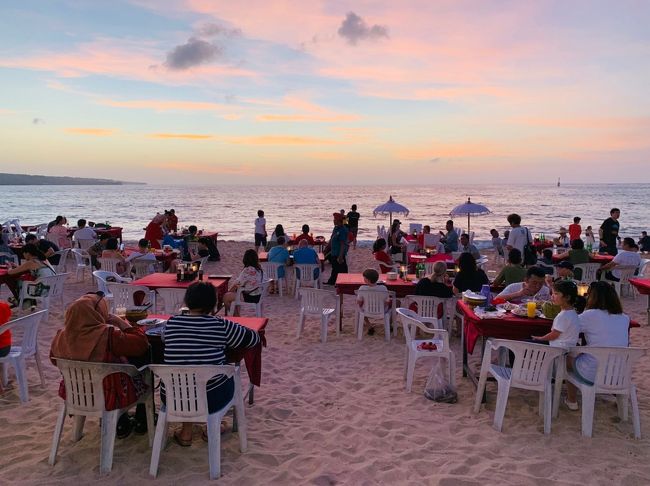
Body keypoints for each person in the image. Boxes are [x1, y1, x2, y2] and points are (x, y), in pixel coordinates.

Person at [163, 282, 260, 445]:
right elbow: (253, 339)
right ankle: (211, 427)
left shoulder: (172, 323)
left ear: (187, 302)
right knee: (213, 378)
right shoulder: (220, 325)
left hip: (173, 397)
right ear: (213, 304)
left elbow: (164, 339)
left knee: (187, 377)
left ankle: (186, 432)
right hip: (212, 398)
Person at [50, 292, 150, 437]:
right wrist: (121, 322)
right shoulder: (107, 335)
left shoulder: (60, 337)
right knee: (141, 365)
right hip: (109, 396)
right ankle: (141, 420)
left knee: (115, 366)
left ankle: (118, 423)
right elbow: (142, 344)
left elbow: (54, 360)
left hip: (76, 394)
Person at [564, 281, 630, 410]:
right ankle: (619, 397)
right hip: (619, 374)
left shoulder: (590, 315)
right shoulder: (624, 318)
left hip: (592, 372)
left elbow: (569, 327)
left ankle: (572, 400)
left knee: (565, 357)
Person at [532, 280, 580, 348]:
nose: (552, 296)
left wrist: (540, 338)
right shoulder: (573, 313)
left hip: (557, 349)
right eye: (552, 293)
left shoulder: (563, 316)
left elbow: (554, 335)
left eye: (556, 294)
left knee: (523, 342)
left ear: (567, 297)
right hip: (566, 348)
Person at [223, 249, 264, 316]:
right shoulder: (259, 269)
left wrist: (229, 291)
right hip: (259, 295)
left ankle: (236, 316)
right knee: (234, 295)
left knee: (226, 297)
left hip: (250, 296)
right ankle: (237, 315)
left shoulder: (247, 270)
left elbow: (237, 283)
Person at [356, 268, 391, 336]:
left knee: (360, 309)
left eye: (364, 278)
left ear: (368, 280)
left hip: (367, 310)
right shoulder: (383, 288)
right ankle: (389, 324)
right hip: (382, 310)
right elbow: (387, 301)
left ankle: (369, 325)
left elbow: (359, 302)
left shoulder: (362, 288)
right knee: (396, 303)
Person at [325, 212, 349, 286]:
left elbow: (343, 244)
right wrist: (326, 249)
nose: (333, 220)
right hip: (334, 251)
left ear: (338, 220)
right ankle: (332, 282)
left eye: (335, 219)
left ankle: (343, 283)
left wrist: (341, 255)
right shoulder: (336, 228)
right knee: (335, 267)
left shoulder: (343, 230)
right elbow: (332, 238)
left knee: (342, 268)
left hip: (339, 252)